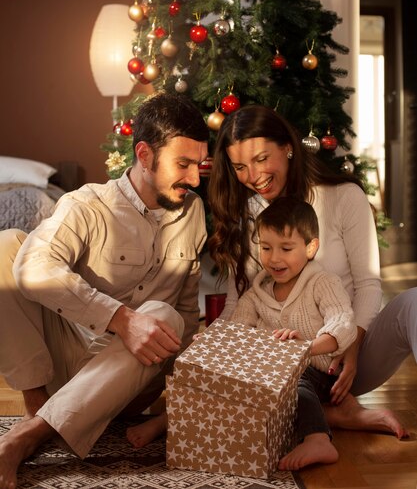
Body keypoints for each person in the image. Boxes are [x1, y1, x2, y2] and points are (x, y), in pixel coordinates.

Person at [0, 91, 209, 489]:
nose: (195, 178)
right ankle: (37, 413)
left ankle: (28, 436)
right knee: (6, 246)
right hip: (68, 361)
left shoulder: (193, 211)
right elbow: (33, 270)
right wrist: (120, 318)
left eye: (198, 164)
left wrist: (190, 399)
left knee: (163, 317)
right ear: (144, 155)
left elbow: (184, 315)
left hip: (131, 382)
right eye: (183, 164)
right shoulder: (88, 205)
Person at [208, 103, 412, 437]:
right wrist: (216, 352)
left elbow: (368, 284)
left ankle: (332, 409)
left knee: (413, 304)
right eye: (240, 167)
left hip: (345, 356)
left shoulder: (344, 197)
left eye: (261, 159)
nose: (253, 175)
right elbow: (238, 299)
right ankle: (335, 416)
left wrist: (353, 347)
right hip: (281, 366)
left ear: (288, 147)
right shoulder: (247, 214)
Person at [230, 196, 357, 470]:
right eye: (266, 247)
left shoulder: (322, 283)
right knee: (233, 387)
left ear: (310, 247)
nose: (274, 258)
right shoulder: (256, 295)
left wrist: (308, 347)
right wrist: (214, 345)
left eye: (286, 248)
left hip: (318, 373)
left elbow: (343, 322)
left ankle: (318, 439)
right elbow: (236, 331)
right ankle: (169, 422)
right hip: (272, 379)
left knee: (294, 378)